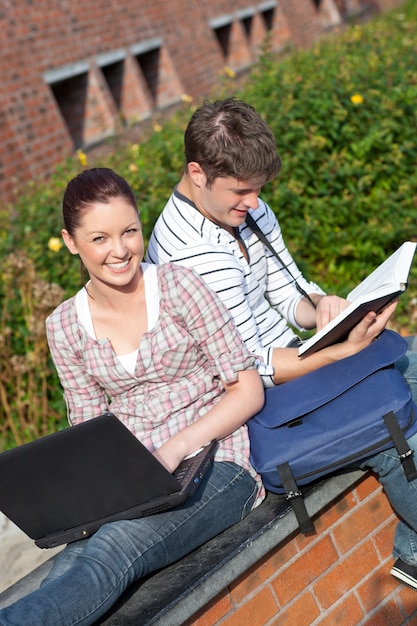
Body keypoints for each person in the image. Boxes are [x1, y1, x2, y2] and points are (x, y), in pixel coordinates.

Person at [146, 97, 417, 590]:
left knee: (408, 367)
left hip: (301, 364)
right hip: (263, 399)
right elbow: (250, 367)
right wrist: (341, 351)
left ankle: (414, 550)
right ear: (197, 173)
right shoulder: (186, 255)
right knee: (399, 408)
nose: (253, 203)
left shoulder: (242, 210)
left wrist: (328, 307)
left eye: (258, 191)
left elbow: (289, 294)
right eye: (242, 192)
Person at [0, 167, 265, 626]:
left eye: (129, 232)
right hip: (131, 488)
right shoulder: (64, 327)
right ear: (70, 241)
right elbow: (88, 431)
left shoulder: (180, 287)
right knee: (65, 568)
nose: (119, 250)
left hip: (217, 467)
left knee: (113, 548)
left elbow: (247, 389)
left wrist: (175, 448)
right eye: (100, 238)